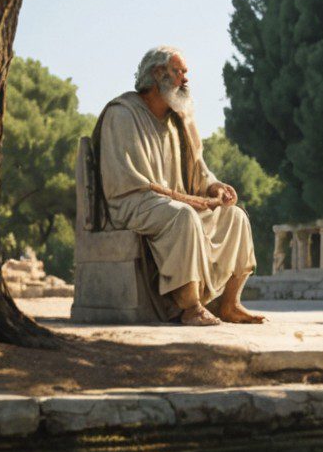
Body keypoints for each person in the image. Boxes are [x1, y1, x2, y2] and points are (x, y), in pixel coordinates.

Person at [95, 46, 262, 326]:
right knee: (183, 216)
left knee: (236, 217)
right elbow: (134, 182)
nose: (185, 79)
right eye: (178, 72)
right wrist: (191, 202)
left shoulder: (177, 121)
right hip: (132, 202)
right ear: (157, 73)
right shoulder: (122, 114)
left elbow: (198, 171)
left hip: (171, 204)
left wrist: (213, 188)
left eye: (185, 73)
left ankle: (230, 304)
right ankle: (191, 307)